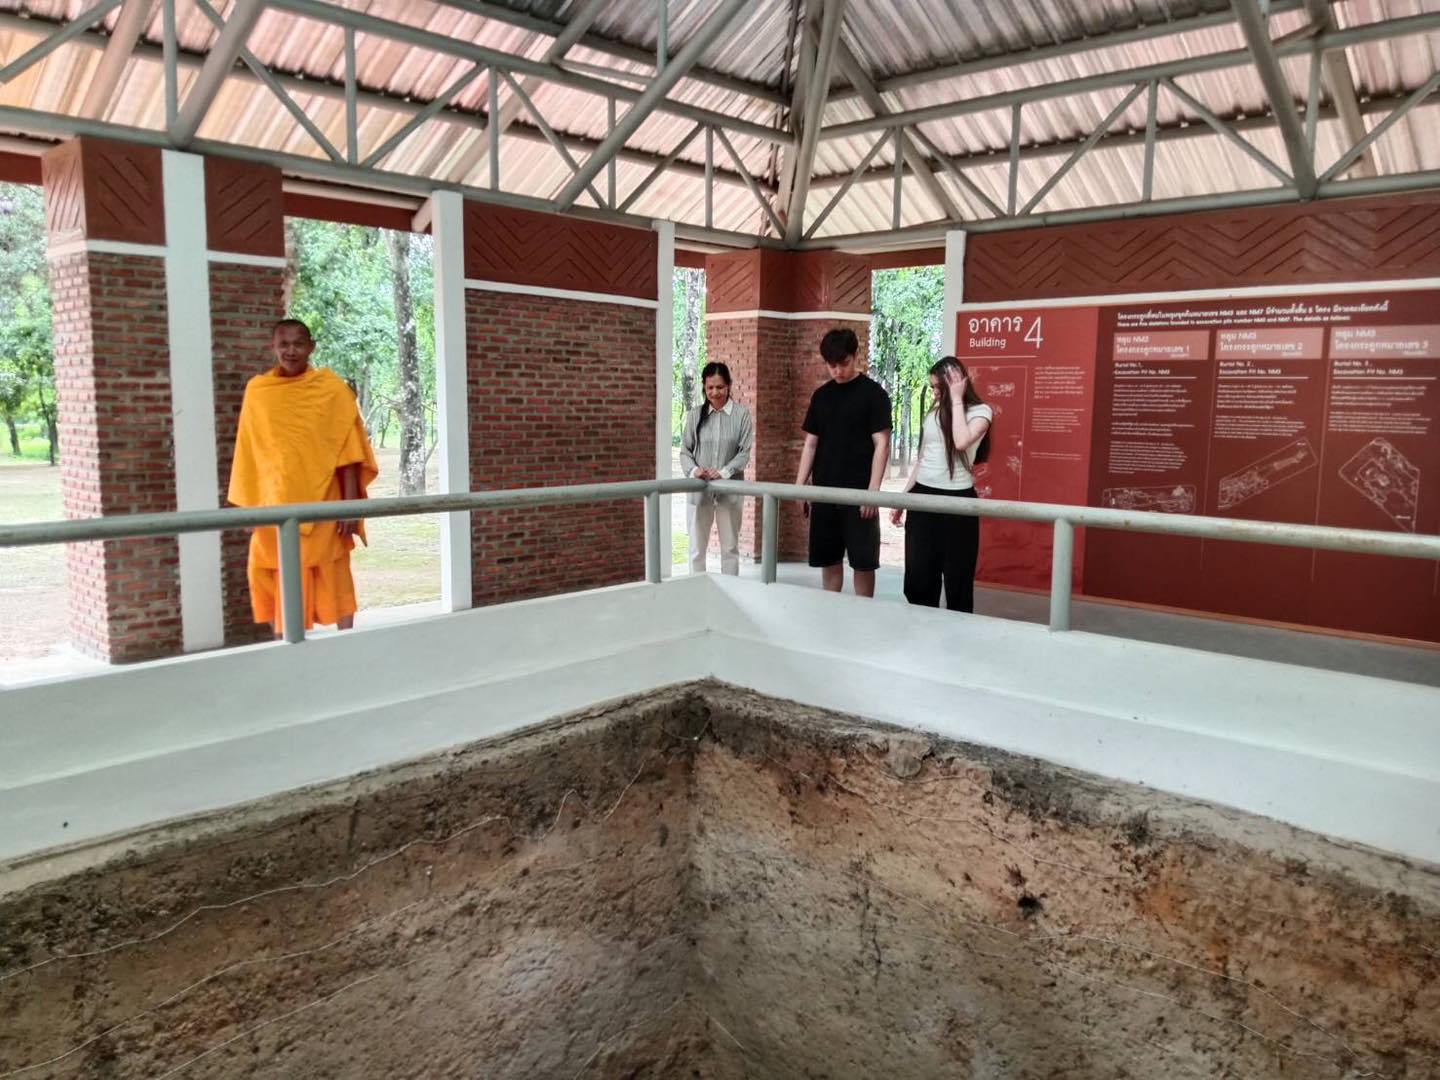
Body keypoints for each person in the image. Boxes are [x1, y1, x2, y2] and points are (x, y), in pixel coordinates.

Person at [227, 319, 379, 636]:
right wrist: (248, 505)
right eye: (284, 344)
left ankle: (347, 641)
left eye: (298, 343)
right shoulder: (258, 392)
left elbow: (349, 451)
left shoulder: (331, 390)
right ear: (273, 347)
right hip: (274, 501)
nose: (291, 351)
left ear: (311, 347)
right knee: (269, 570)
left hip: (324, 499)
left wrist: (351, 506)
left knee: (333, 569)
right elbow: (250, 451)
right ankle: (285, 644)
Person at [890, 357, 992, 612]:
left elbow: (961, 441)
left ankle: (956, 632)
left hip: (958, 501)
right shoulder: (934, 412)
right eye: (933, 387)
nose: (935, 393)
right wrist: (903, 498)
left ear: (956, 384)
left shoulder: (981, 412)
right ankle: (921, 627)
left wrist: (956, 399)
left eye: (939, 387)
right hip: (923, 496)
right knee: (919, 577)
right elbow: (922, 459)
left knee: (958, 579)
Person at [795, 328, 891, 597]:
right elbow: (811, 444)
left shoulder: (874, 394)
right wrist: (799, 486)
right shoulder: (821, 396)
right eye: (832, 365)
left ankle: (863, 613)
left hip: (859, 495)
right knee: (829, 560)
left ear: (855, 355)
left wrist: (873, 492)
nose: (838, 371)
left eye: (844, 363)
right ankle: (831, 612)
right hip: (824, 492)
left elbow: (882, 444)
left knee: (863, 563)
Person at [679, 362, 754, 575]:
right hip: (699, 490)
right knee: (696, 549)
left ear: (729, 386)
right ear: (704, 387)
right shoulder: (695, 415)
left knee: (730, 548)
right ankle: (696, 588)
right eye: (710, 387)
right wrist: (695, 471)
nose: (714, 392)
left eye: (720, 387)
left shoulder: (742, 415)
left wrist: (722, 473)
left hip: (730, 491)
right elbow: (685, 451)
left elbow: (744, 453)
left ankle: (730, 588)